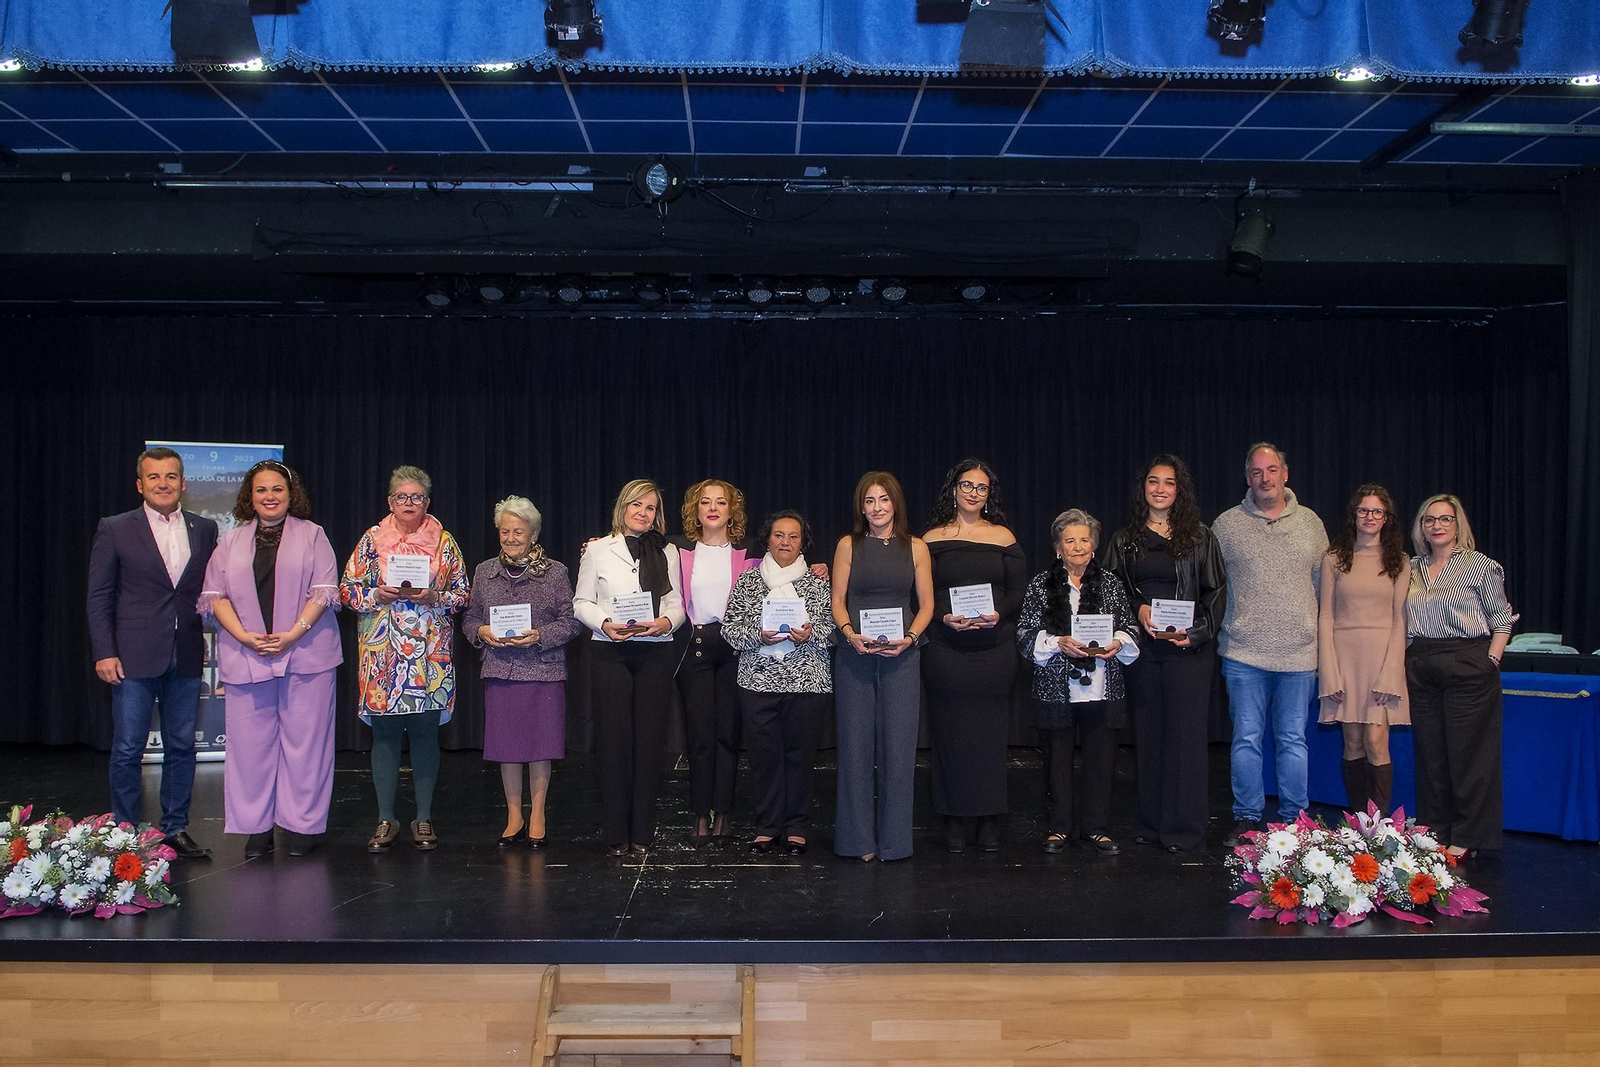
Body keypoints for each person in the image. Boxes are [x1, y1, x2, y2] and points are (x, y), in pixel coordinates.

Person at [197, 461, 342, 857]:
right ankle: (256, 828)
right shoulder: (231, 541)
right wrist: (243, 636)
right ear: (250, 496)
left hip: (307, 654)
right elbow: (214, 597)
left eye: (277, 489)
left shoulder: (314, 536)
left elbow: (324, 591)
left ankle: (302, 827)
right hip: (248, 655)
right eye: (262, 490)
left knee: (306, 745)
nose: (270, 496)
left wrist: (293, 634)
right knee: (250, 748)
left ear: (290, 494)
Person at [86, 447, 220, 859]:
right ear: (140, 484)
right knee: (128, 747)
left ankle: (174, 828)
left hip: (184, 654)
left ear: (183, 482)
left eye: (171, 476)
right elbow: (99, 595)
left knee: (182, 745)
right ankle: (124, 834)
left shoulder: (205, 528)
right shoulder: (116, 528)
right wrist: (105, 651)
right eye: (155, 477)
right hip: (132, 656)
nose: (164, 484)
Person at [341, 465, 470, 853]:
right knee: (384, 735)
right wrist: (376, 596)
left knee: (426, 734)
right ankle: (385, 817)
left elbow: (464, 593)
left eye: (416, 497)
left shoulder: (445, 542)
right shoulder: (370, 540)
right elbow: (346, 590)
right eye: (401, 496)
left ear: (427, 502)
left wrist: (438, 598)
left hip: (430, 655)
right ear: (390, 501)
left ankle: (424, 817)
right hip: (383, 655)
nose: (409, 503)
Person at [1103, 454, 1227, 854]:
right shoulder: (1125, 539)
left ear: (1180, 490)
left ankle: (1183, 829)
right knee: (1149, 737)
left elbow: (1216, 592)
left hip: (1188, 653)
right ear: (1144, 488)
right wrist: (1137, 609)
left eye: (1169, 482)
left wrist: (1196, 633)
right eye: (1153, 481)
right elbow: (1108, 588)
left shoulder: (1201, 537)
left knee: (1186, 741)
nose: (1160, 489)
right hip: (1142, 651)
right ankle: (1149, 824)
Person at [1212, 442, 1328, 846]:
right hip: (1244, 652)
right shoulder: (1225, 525)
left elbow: (1323, 586)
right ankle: (1247, 818)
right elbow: (1213, 586)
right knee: (1246, 738)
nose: (1265, 478)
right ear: (1248, 478)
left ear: (1285, 474)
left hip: (1299, 652)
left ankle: (1297, 822)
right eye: (1257, 472)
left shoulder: (1311, 523)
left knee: (1293, 740)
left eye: (1272, 470)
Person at [573, 478, 686, 856]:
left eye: (651, 507)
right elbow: (582, 601)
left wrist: (665, 623)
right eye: (637, 505)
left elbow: (677, 606)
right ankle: (616, 833)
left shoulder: (667, 551)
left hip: (655, 651)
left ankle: (642, 832)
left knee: (649, 744)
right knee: (614, 742)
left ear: (657, 515)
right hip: (610, 652)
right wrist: (604, 624)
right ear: (622, 508)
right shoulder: (598, 549)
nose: (643, 512)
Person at [1018, 510, 1140, 855]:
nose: (1078, 546)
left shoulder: (1111, 584)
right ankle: (1058, 828)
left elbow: (1129, 627)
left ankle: (1097, 829)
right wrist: (1057, 642)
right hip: (1056, 686)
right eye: (1070, 540)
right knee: (1056, 761)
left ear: (1094, 545)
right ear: (1058, 547)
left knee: (1102, 760)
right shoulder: (1041, 585)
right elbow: (1024, 633)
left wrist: (1118, 642)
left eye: (1084, 539)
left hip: (1102, 683)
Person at [463, 496, 581, 849]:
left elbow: (572, 621)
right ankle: (514, 815)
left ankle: (539, 813)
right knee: (506, 746)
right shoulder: (484, 571)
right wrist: (481, 631)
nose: (511, 537)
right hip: (500, 668)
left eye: (519, 531)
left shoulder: (556, 572)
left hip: (543, 669)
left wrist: (540, 635)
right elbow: (470, 617)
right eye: (505, 531)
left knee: (540, 746)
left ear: (534, 534)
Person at [921, 459, 1026, 853]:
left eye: (981, 488)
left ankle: (988, 820)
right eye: (967, 485)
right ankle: (951, 818)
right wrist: (943, 616)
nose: (973, 493)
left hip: (994, 652)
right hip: (946, 651)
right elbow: (920, 592)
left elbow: (1017, 592)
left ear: (989, 494)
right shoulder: (930, 539)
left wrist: (999, 613)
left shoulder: (1004, 537)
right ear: (953, 488)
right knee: (949, 736)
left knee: (990, 738)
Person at [831, 471, 934, 862]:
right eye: (869, 501)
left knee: (899, 750)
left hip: (902, 657)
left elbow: (926, 605)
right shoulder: (848, 544)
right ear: (862, 507)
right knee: (855, 748)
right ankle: (858, 842)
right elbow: (837, 599)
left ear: (896, 504)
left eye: (884, 500)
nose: (877, 507)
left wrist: (909, 638)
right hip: (855, 655)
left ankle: (894, 843)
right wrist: (848, 633)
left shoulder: (917, 547)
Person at [719, 510, 836, 856]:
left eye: (793, 536)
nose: (786, 542)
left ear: (803, 542)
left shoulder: (818, 584)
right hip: (757, 682)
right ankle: (767, 826)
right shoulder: (748, 581)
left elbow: (834, 629)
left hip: (807, 682)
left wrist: (811, 634)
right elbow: (730, 630)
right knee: (765, 758)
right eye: (779, 535)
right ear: (767, 538)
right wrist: (759, 636)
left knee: (800, 757)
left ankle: (798, 827)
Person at [1405, 494, 1516, 860]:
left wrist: (1491, 660)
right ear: (1421, 526)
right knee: (1431, 755)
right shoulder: (1410, 568)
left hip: (1468, 662)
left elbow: (1502, 618)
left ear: (1457, 525)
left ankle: (1467, 836)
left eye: (1445, 519)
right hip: (1421, 664)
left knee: (1469, 756)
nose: (1436, 525)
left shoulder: (1480, 566)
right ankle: (1434, 830)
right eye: (1429, 519)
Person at [674, 479, 758, 848]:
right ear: (695, 510)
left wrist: (817, 567)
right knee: (700, 736)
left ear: (730, 511)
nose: (712, 508)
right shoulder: (677, 551)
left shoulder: (749, 552)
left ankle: (724, 811)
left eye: (720, 502)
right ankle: (700, 814)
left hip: (734, 647)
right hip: (694, 646)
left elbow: (789, 564)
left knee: (728, 734)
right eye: (705, 502)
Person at [1317, 484, 1409, 816]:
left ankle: (1378, 825)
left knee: (1375, 741)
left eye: (1377, 512)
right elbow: (1325, 615)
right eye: (1363, 511)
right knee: (1352, 743)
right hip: (1344, 661)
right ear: (1354, 516)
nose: (1370, 517)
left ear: (1387, 518)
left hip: (1382, 661)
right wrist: (1329, 672)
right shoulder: (1333, 560)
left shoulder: (1400, 561)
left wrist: (1390, 675)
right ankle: (1358, 825)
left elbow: (1401, 620)